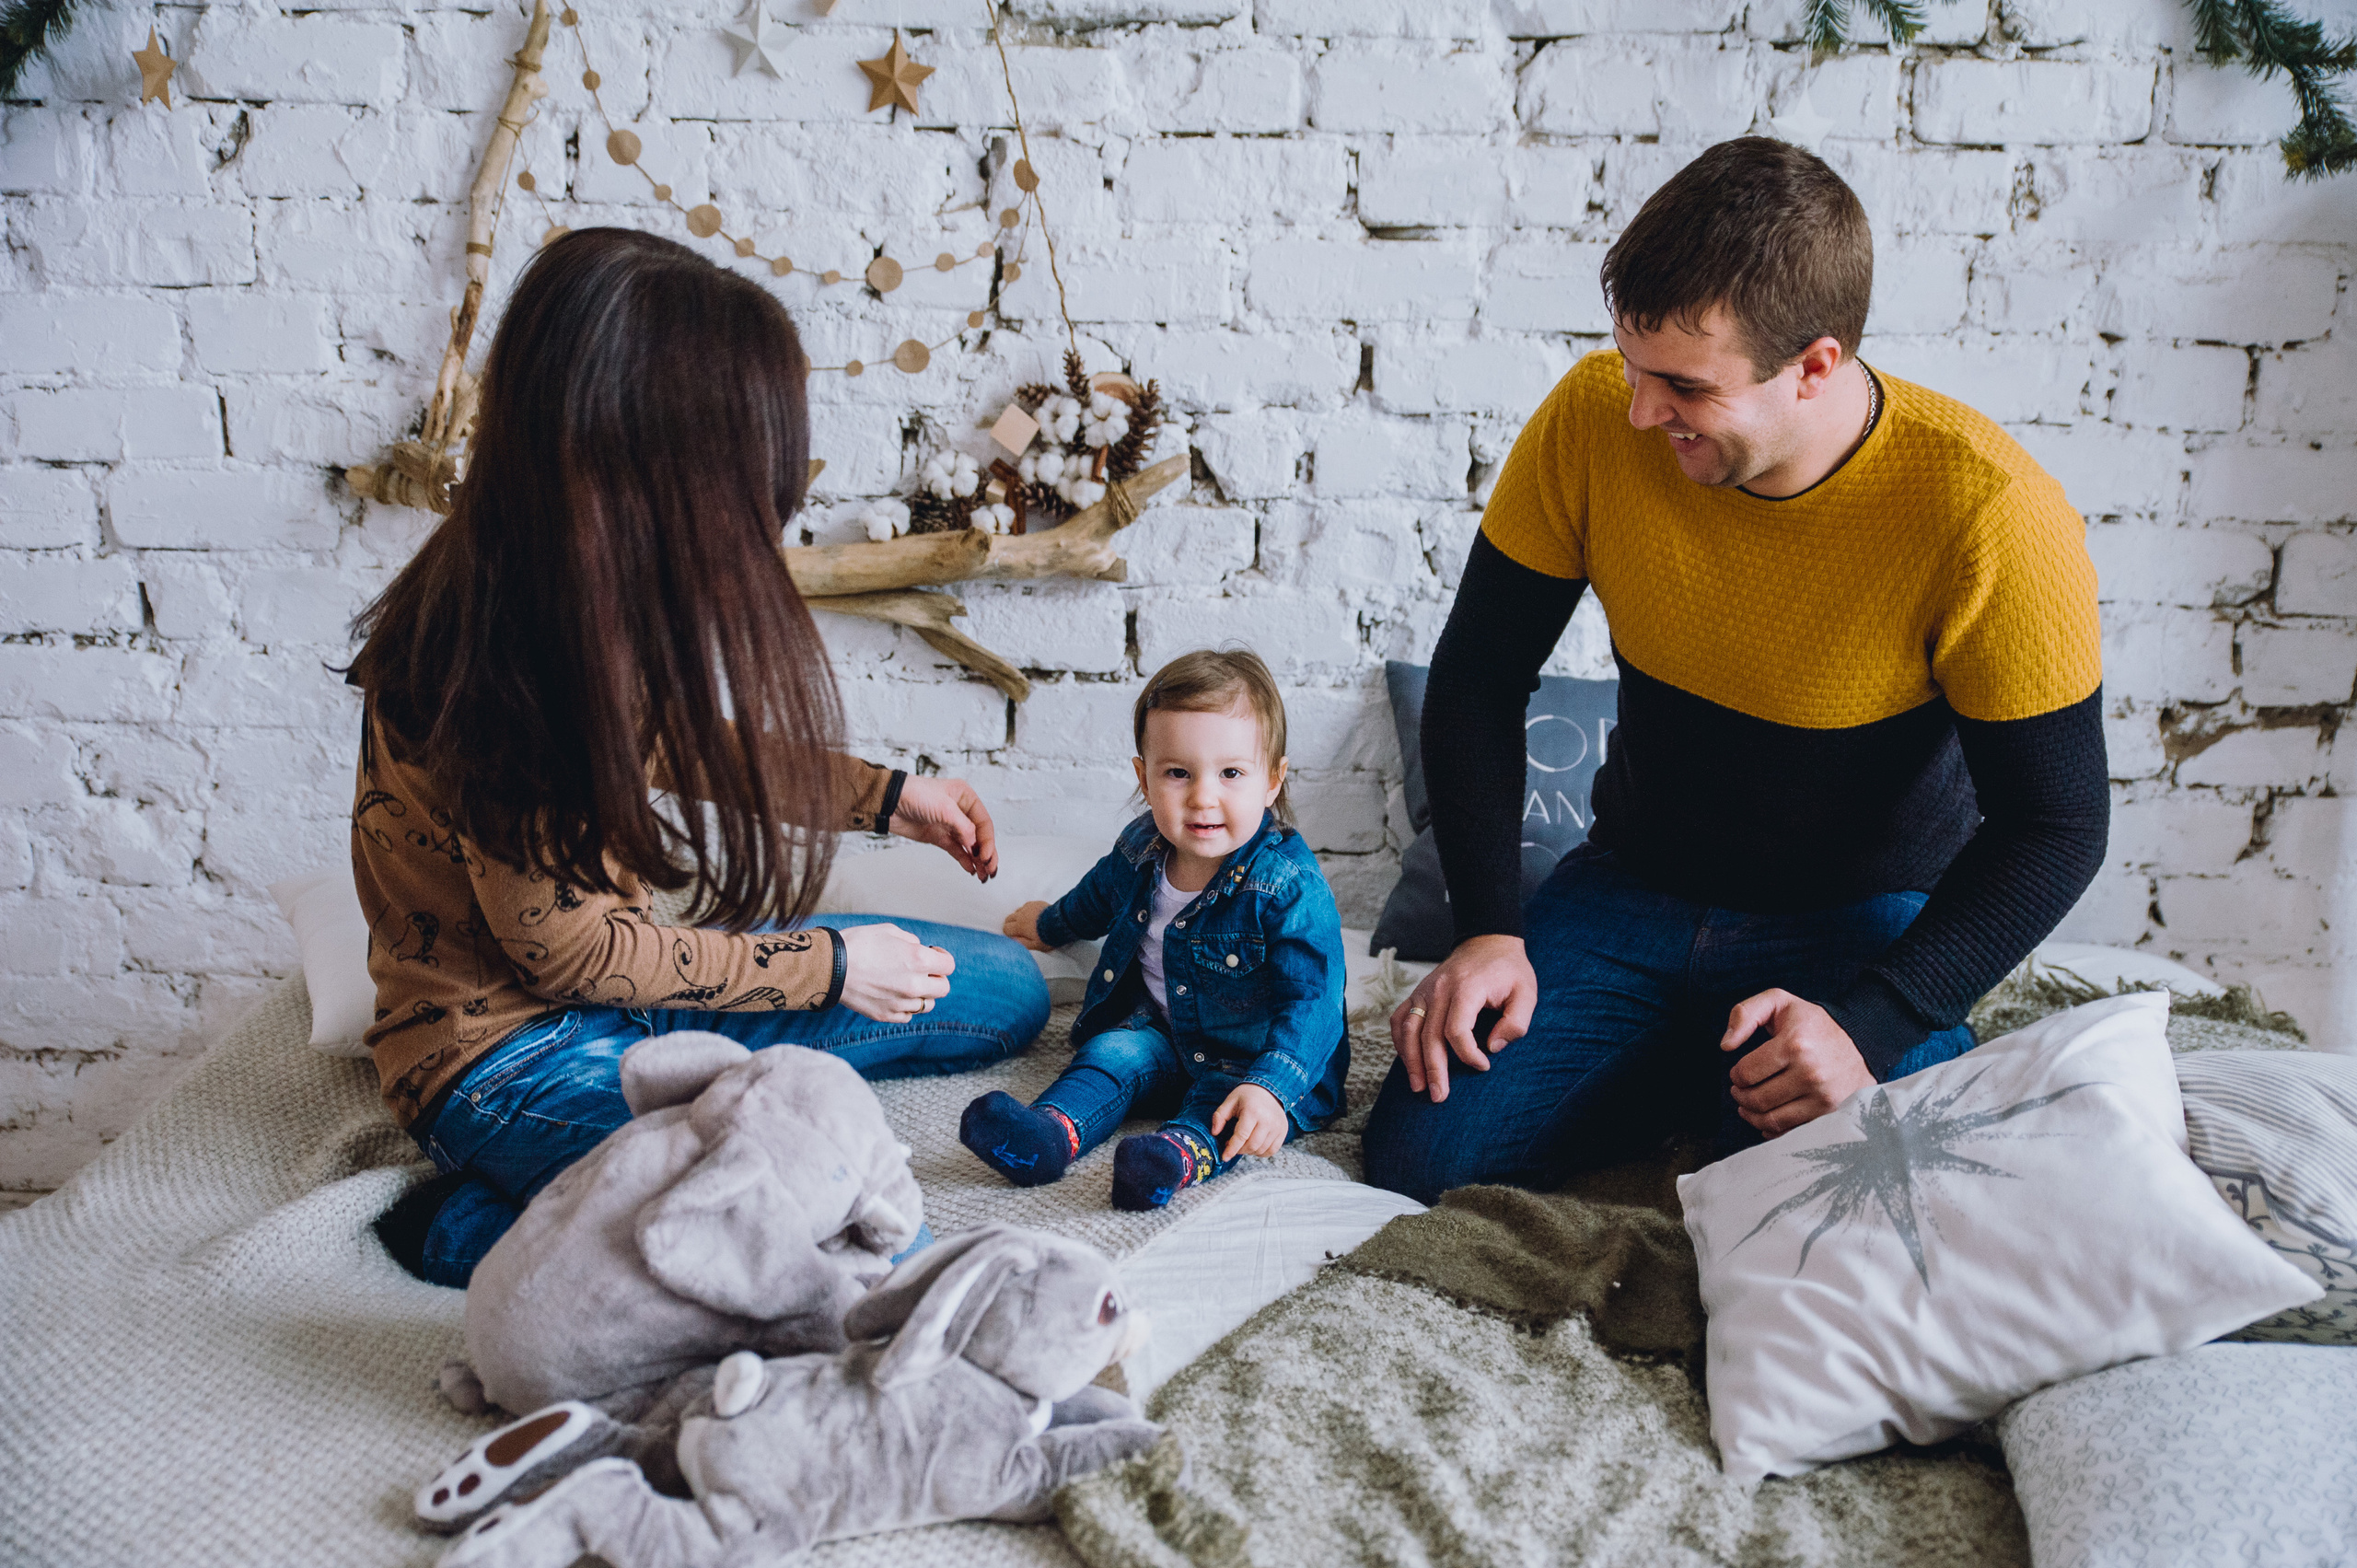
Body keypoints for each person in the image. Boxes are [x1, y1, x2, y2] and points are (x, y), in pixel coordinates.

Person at [1364, 138, 2107, 1204]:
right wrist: (1488, 923)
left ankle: (1723, 1077)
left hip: (1859, 919)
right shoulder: (1588, 419)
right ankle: (1685, 1062)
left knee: (1825, 1184)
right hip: (1635, 882)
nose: (1637, 412)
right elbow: (1478, 676)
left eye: (1683, 386)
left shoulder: (1990, 516)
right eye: (1631, 367)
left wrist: (1871, 1022)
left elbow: (2059, 824)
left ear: (1814, 364)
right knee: (1423, 1156)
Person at [353, 228, 1050, 1286]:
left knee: (1002, 990)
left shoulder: (586, 591)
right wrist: (830, 966)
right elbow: (568, 957)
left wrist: (887, 798)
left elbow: (678, 743)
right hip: (503, 1059)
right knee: (837, 1227)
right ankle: (468, 1227)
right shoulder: (500, 649)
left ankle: (564, 1204)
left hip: (624, 986)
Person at [959, 649, 1351, 1211]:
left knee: (1223, 1105)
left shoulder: (1285, 886)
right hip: (1166, 1036)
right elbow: (1097, 899)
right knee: (1113, 1050)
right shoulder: (1141, 847)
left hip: (1255, 1065)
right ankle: (1047, 1134)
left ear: (1272, 781)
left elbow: (1314, 1003)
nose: (1203, 796)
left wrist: (1272, 1087)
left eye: (1232, 773)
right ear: (1144, 777)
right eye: (1178, 773)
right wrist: (1049, 925)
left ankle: (1170, 1160)